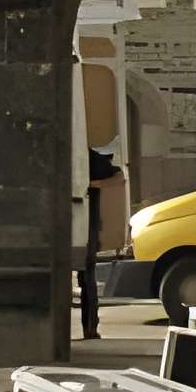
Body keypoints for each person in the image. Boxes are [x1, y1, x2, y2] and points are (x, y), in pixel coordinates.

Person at [78, 145, 123, 338]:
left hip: (88, 225)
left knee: (87, 278)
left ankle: (90, 328)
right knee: (85, 278)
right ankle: (88, 328)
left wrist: (90, 185)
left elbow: (119, 176)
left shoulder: (89, 157)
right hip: (79, 225)